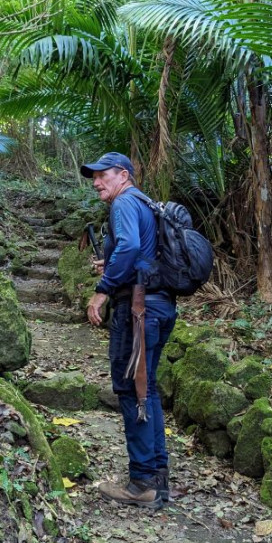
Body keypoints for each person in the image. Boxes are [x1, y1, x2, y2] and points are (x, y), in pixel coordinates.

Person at [80, 152, 177, 510]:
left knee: (130, 388)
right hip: (161, 306)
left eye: (102, 175)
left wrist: (103, 289)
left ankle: (141, 483)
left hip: (137, 309)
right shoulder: (146, 204)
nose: (96, 182)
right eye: (93, 177)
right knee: (146, 388)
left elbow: (131, 245)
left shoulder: (123, 203)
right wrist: (116, 263)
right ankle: (158, 477)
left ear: (123, 175)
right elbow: (143, 253)